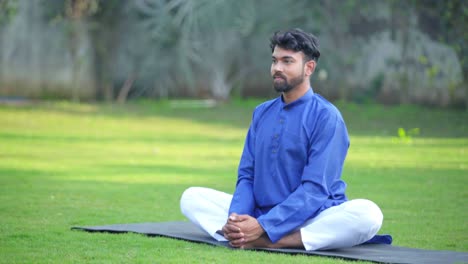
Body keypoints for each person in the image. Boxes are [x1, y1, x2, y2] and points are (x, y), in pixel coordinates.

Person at [180, 28, 383, 251]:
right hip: (260, 212)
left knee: (369, 214)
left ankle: (264, 241)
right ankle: (243, 234)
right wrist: (238, 218)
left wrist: (264, 226)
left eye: (287, 61)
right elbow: (247, 175)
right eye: (275, 61)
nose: (277, 68)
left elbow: (315, 190)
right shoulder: (262, 113)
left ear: (309, 67)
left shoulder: (326, 117)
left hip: (312, 217)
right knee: (191, 198)